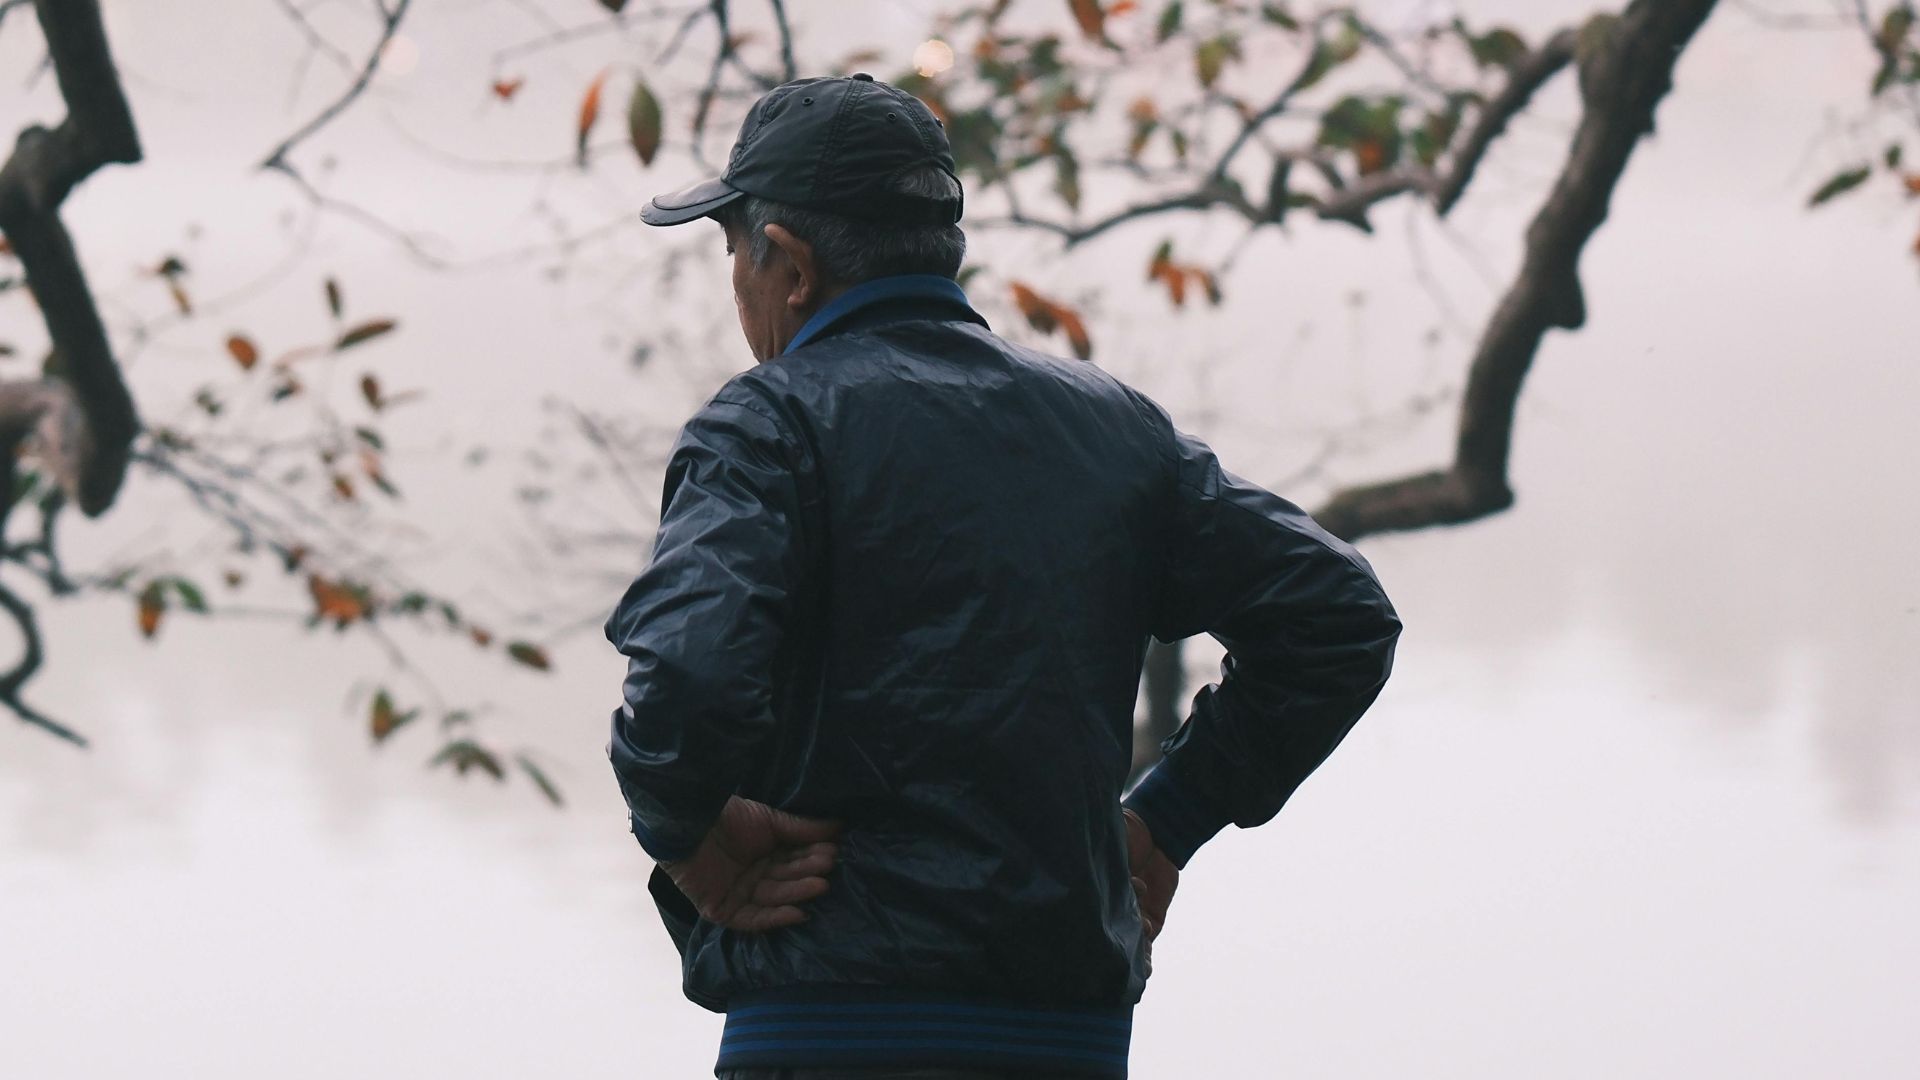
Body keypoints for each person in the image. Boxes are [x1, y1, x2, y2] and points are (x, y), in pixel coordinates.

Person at [606, 73, 1402, 1080]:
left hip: (827, 1037)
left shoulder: (769, 428)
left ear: (792, 267)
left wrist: (692, 837)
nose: (737, 286)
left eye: (732, 252)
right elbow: (1336, 616)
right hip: (1069, 1045)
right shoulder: (1116, 432)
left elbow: (683, 680)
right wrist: (1167, 818)